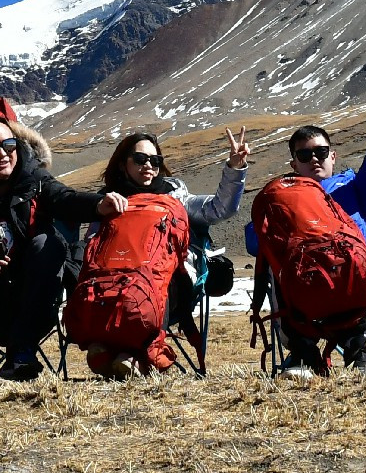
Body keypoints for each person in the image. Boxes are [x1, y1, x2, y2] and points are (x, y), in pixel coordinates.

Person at [0, 113, 123, 382]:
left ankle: (22, 353)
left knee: (49, 243)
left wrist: (98, 206)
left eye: (9, 145)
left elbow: (65, 199)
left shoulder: (37, 181)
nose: (3, 154)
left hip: (31, 301)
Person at [248, 79, 366, 379]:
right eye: (304, 155)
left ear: (332, 156)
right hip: (302, 289)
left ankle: (359, 351)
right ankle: (302, 352)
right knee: (275, 267)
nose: (314, 160)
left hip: (350, 283)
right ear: (294, 163)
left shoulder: (354, 189)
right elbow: (255, 242)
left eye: (321, 153)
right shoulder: (283, 198)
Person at [80, 127, 250, 379]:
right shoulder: (109, 202)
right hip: (116, 286)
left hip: (172, 284)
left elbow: (219, 209)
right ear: (122, 164)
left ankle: (128, 354)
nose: (148, 165)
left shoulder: (176, 196)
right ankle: (125, 356)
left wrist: (235, 169)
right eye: (140, 159)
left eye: (155, 160)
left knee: (160, 280)